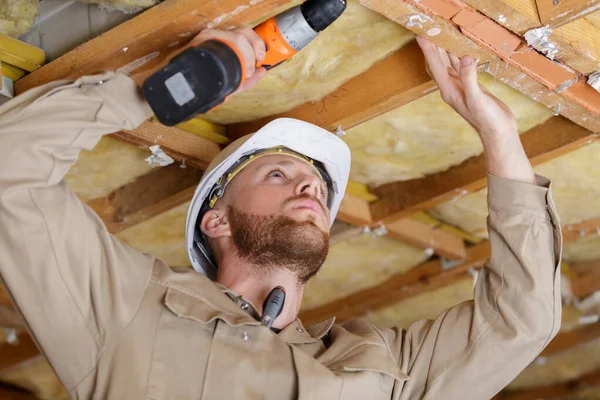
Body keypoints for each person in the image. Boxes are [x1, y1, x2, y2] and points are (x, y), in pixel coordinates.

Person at [0, 27, 561, 400]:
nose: (310, 189)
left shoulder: (386, 370)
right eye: (279, 174)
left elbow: (521, 321)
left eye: (315, 185)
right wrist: (165, 89)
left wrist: (499, 131)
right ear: (214, 220)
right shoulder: (126, 307)